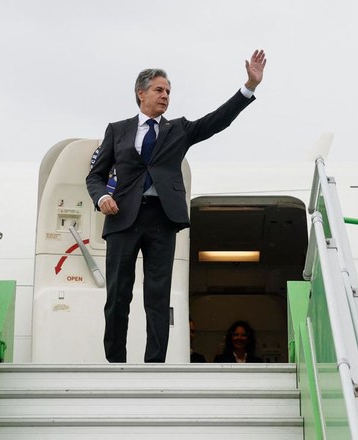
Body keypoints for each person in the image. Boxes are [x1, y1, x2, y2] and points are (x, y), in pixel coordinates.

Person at [86, 50, 267, 363]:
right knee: (118, 294)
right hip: (122, 219)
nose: (165, 95)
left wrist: (248, 86)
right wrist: (102, 197)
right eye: (159, 90)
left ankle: (154, 363)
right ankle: (114, 362)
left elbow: (217, 121)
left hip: (162, 219)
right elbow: (95, 176)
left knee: (158, 296)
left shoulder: (178, 129)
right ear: (140, 94)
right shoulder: (117, 130)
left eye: (168, 91)